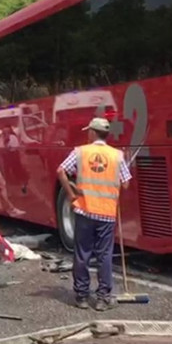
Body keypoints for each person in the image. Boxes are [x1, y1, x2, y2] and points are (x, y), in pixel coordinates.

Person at [56, 116, 131, 311]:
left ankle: (81, 296)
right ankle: (102, 298)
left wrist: (72, 194)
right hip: (106, 214)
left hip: (85, 211)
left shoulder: (81, 152)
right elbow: (126, 183)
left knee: (83, 254)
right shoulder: (117, 155)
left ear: (92, 132)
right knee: (104, 255)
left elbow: (61, 171)